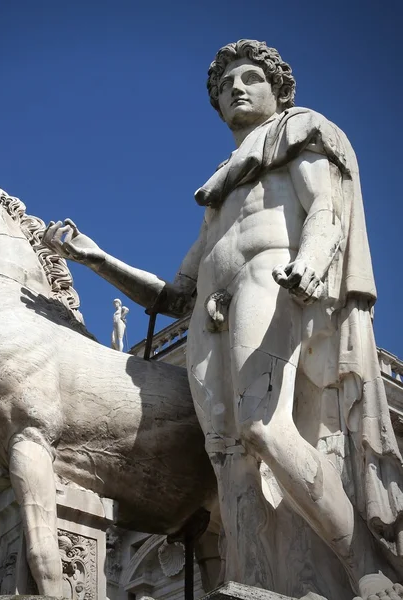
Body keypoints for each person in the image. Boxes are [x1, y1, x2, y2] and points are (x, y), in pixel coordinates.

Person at [43, 40, 403, 599]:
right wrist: (97, 260)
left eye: (250, 77)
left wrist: (309, 264)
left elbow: (327, 211)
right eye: (224, 85)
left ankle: (364, 567)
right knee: (229, 455)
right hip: (214, 306)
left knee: (262, 425)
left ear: (277, 88)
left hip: (273, 276)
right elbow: (173, 294)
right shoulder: (222, 190)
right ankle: (253, 581)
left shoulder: (298, 132)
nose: (236, 88)